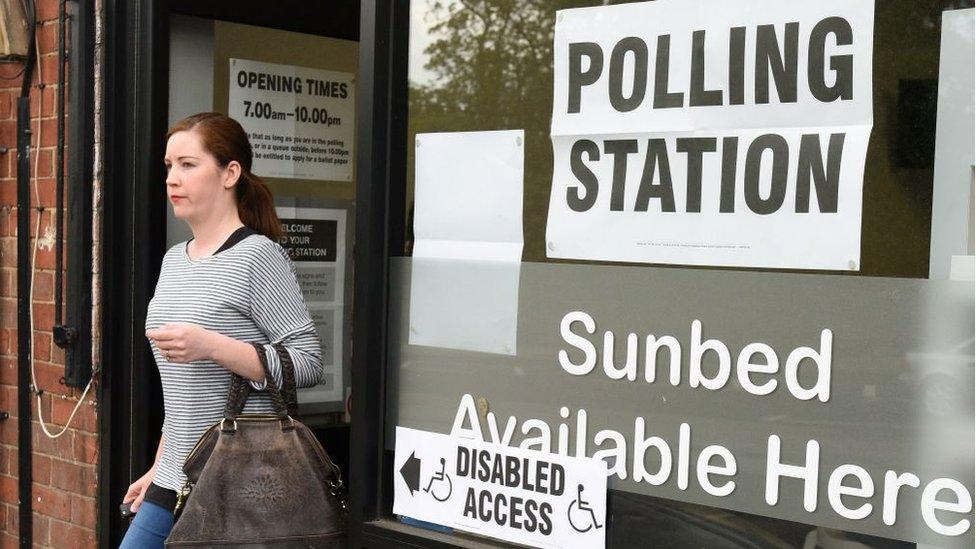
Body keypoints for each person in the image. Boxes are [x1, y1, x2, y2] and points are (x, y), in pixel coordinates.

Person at [118, 112, 324, 548]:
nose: (173, 178)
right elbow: (183, 394)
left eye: (188, 165)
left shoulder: (257, 256)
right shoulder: (174, 259)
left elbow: (307, 363)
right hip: (175, 476)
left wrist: (211, 345)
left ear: (230, 173)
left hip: (238, 482)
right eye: (169, 166)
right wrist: (159, 467)